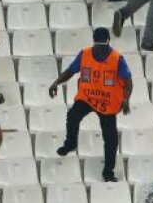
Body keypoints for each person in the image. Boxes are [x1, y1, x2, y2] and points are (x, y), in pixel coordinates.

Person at [49, 27, 132, 182]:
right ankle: (70, 143)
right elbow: (70, 71)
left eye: (103, 44)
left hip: (107, 102)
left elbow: (128, 82)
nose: (100, 48)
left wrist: (126, 99)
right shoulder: (85, 54)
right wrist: (56, 82)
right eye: (98, 44)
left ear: (109, 42)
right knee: (73, 115)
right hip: (88, 97)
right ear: (94, 42)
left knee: (111, 139)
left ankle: (108, 172)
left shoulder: (117, 59)